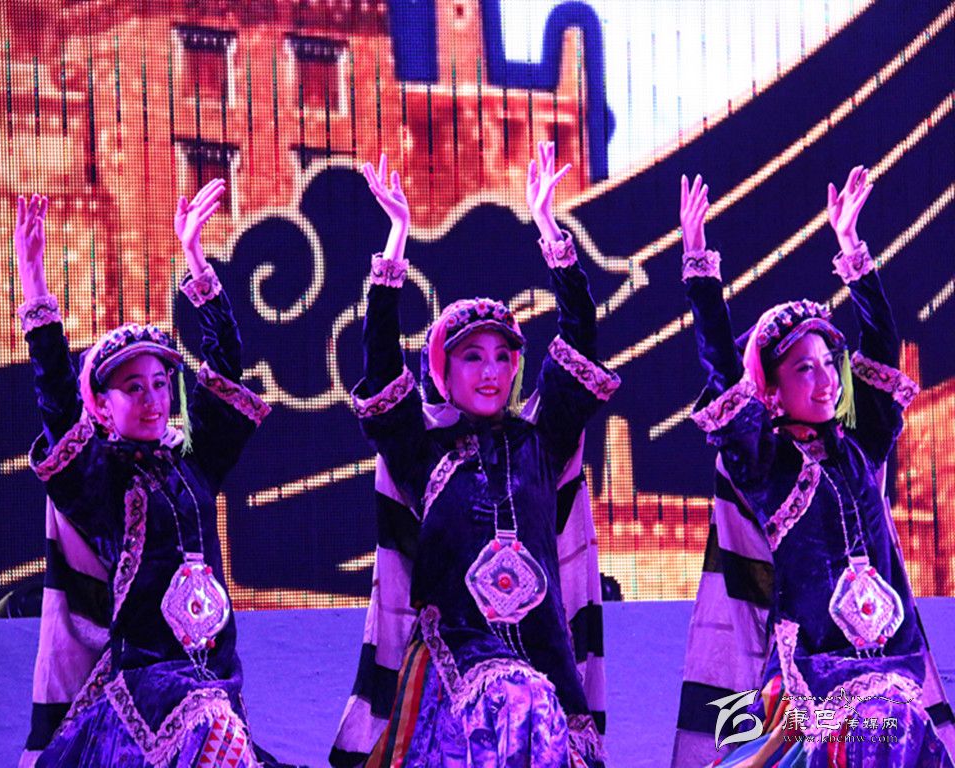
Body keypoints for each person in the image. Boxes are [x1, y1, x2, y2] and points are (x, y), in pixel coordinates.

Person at [331, 143, 615, 767]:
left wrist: (551, 231)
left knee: (537, 706)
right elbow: (381, 367)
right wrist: (396, 245)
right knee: (519, 702)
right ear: (442, 370)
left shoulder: (541, 443)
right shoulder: (422, 451)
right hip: (454, 664)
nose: (490, 371)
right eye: (471, 356)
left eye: (503, 356)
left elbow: (581, 337)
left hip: (544, 661)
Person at [671, 168, 955, 767]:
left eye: (830, 363)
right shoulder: (768, 463)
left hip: (892, 673)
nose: (826, 379)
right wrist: (700, 269)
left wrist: (853, 250)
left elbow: (882, 345)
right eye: (804, 368)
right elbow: (722, 369)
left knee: (897, 726)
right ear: (771, 390)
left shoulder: (861, 445)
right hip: (812, 686)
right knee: (874, 730)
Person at [14, 182, 278, 767]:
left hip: (215, 674)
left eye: (161, 383)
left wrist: (197, 261)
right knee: (214, 730)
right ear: (103, 407)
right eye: (133, 388)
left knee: (221, 732)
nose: (154, 399)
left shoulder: (194, 463)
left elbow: (226, 368)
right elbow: (58, 402)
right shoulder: (101, 477)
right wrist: (35, 287)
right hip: (147, 684)